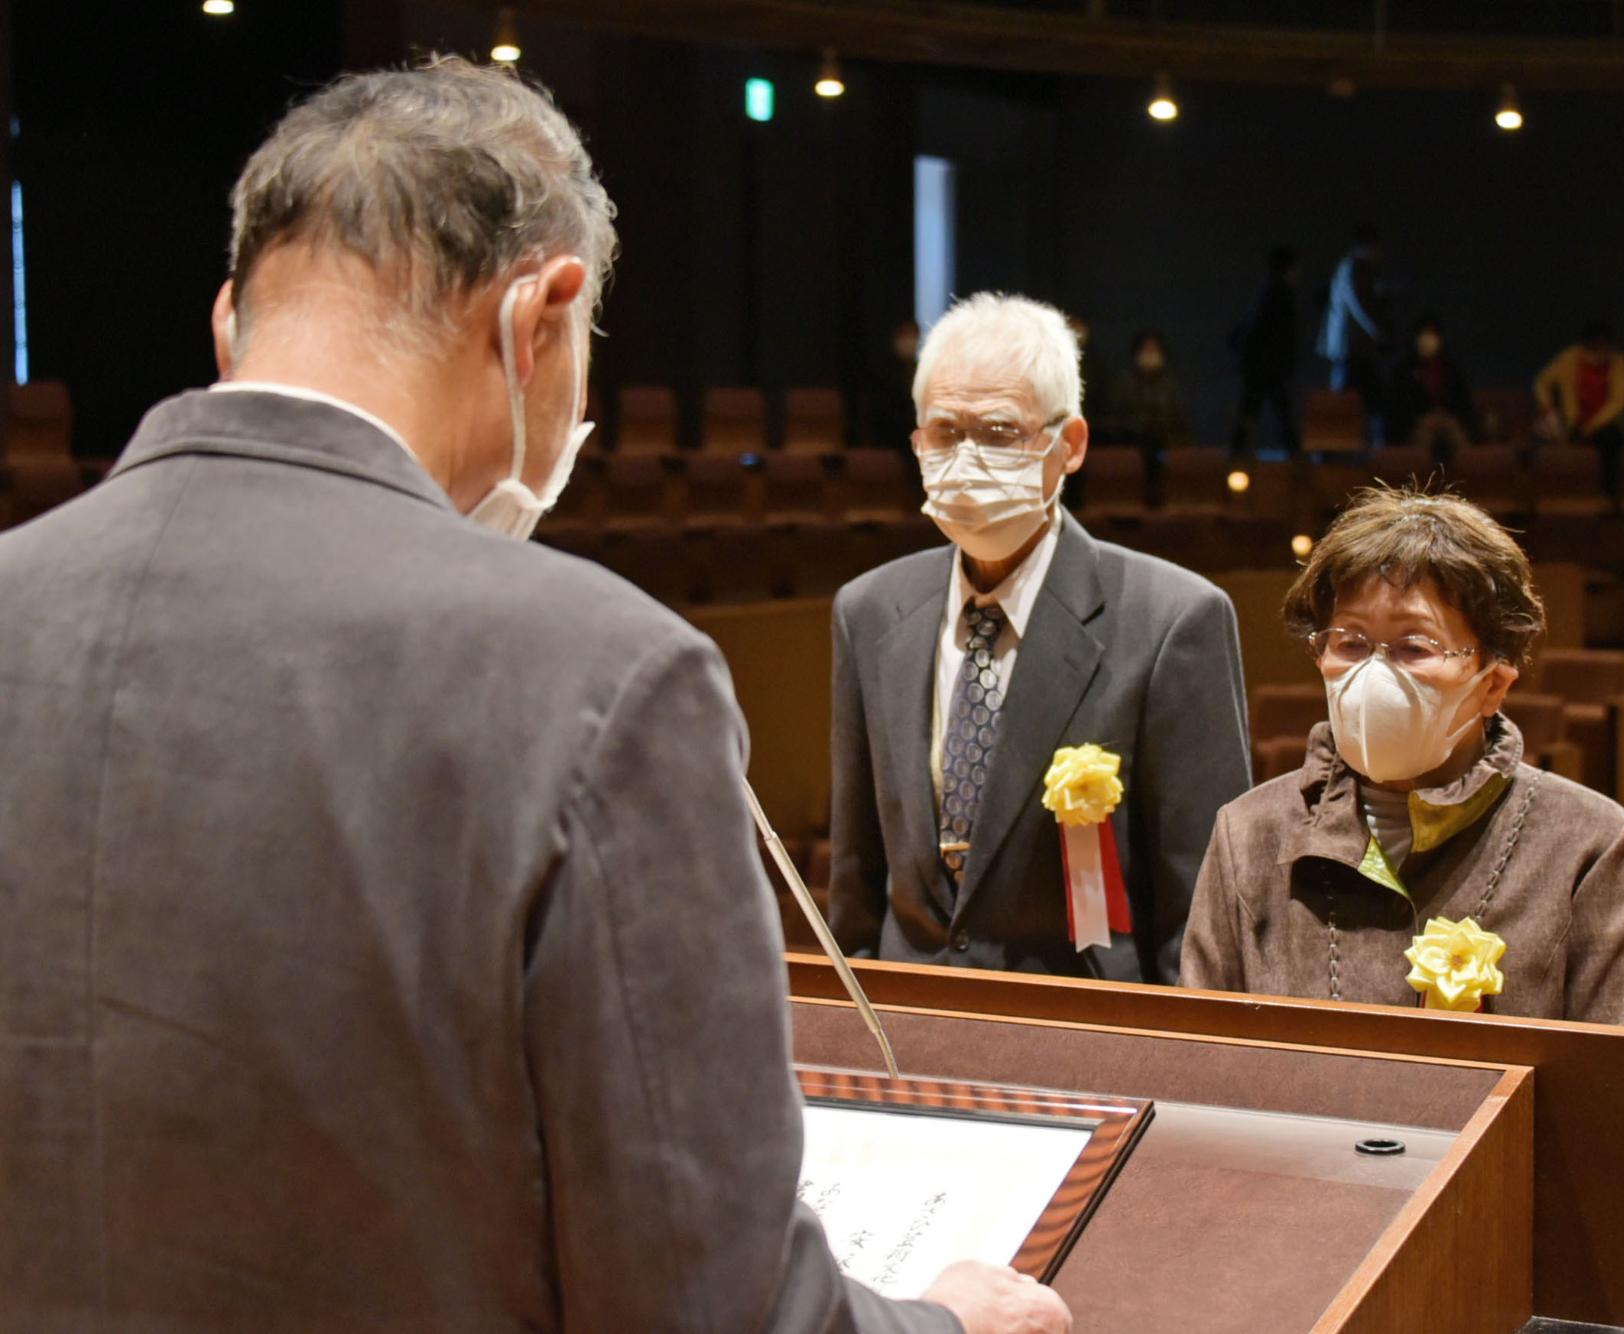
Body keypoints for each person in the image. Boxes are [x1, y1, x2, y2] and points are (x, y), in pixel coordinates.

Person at [0, 60, 1066, 1334]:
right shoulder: (600, 672)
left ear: (234, 321)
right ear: (541, 317)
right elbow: (708, 1305)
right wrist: (944, 1324)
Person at [830, 293, 1253, 985]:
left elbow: (1202, 917)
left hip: (1088, 1043)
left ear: (1071, 446)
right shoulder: (868, 610)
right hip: (908, 1033)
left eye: (999, 432)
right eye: (943, 433)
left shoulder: (1175, 620)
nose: (966, 459)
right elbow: (857, 881)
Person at [1181, 487, 1624, 1023]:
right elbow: (1207, 1065)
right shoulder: (1248, 834)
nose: (1374, 674)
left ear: (1493, 683)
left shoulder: (1592, 846)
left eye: (1415, 647)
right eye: (1350, 642)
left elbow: (1607, 1089)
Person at [1534, 320, 1624, 495]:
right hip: (1574, 424)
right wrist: (1546, 406)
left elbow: (1618, 402)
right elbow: (1543, 382)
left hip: (1603, 425)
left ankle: (1610, 495)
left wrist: (1591, 426)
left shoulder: (1618, 362)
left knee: (1613, 440)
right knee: (1538, 440)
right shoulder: (1570, 359)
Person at [1316, 224, 1391, 435]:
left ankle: (1331, 444)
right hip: (1351, 347)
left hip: (1352, 347)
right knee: (1349, 398)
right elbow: (1359, 303)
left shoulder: (1351, 268)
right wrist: (1376, 330)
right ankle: (1330, 444)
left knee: (1349, 396)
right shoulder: (1355, 268)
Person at [1229, 244, 1302, 454]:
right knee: (1276, 410)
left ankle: (1238, 453)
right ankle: (1294, 455)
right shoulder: (1278, 295)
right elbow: (1278, 334)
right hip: (1266, 367)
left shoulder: (1267, 292)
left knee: (1255, 409)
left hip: (1260, 366)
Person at [1383, 316, 1478, 459]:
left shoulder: (1450, 368)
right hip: (1416, 428)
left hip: (1448, 422)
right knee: (1424, 442)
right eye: (1423, 334)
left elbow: (1463, 403)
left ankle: (1466, 478)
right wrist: (1422, 421)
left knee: (1459, 438)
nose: (1427, 339)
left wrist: (1448, 419)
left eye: (1432, 334)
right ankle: (1422, 481)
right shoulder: (1403, 370)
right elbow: (1397, 409)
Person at [1101, 327, 1194, 454]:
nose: (1150, 354)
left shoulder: (1169, 385)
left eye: (1154, 350)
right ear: (1137, 353)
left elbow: (1180, 422)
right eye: (1146, 350)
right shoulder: (1124, 384)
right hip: (1130, 444)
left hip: (1165, 444)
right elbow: (1114, 420)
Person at [864, 317, 923, 447]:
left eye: (913, 335)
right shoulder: (883, 375)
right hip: (892, 441)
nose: (909, 341)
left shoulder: (923, 371)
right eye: (904, 335)